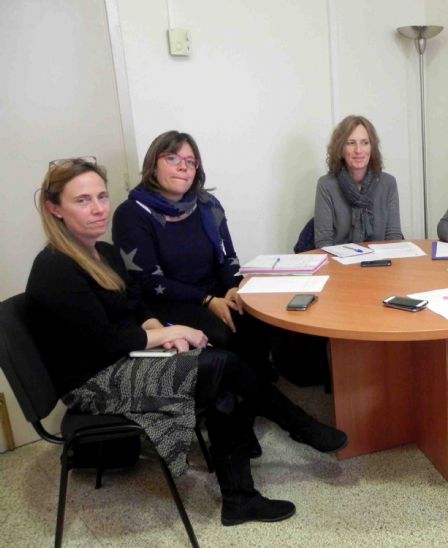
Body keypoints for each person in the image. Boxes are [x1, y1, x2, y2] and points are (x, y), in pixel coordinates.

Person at [26, 157, 301, 525]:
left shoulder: (103, 253)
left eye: (102, 196)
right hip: (93, 381)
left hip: (122, 359)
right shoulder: (54, 267)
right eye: (83, 200)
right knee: (223, 366)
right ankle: (296, 426)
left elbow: (135, 307)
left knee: (220, 374)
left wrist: (158, 330)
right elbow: (106, 341)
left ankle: (241, 498)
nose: (98, 208)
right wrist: (172, 332)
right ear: (54, 208)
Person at [112, 131, 346, 454]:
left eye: (190, 161)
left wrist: (234, 289)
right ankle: (288, 423)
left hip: (214, 294)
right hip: (166, 304)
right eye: (173, 159)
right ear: (153, 164)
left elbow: (227, 259)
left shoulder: (207, 204)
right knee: (223, 333)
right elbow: (148, 281)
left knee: (259, 319)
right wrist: (209, 301)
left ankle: (242, 418)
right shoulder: (132, 213)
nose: (183, 167)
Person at [314, 115, 403, 248]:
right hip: (339, 260)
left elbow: (393, 237)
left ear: (372, 148)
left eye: (365, 143)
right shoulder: (326, 185)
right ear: (341, 149)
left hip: (381, 259)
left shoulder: (388, 183)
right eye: (351, 143)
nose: (358, 150)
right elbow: (323, 242)